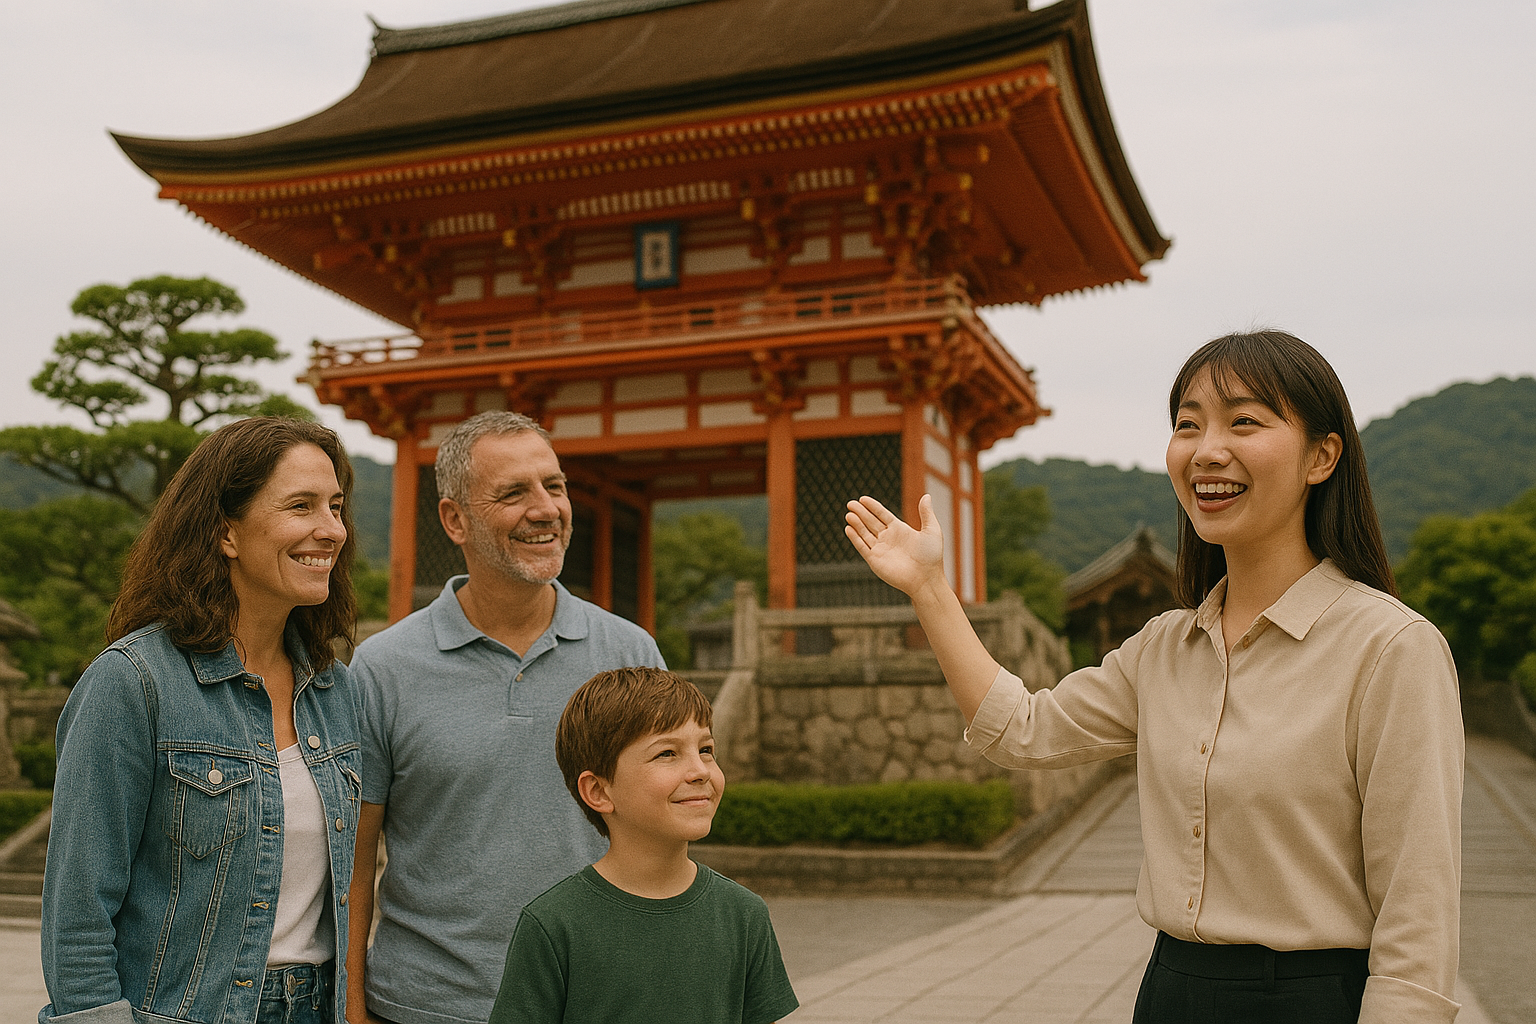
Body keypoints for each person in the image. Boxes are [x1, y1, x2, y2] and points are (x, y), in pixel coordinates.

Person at [844, 331, 1463, 1024]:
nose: (1206, 450)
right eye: (1187, 424)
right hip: (1171, 990)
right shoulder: (1166, 647)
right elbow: (1021, 731)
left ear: (1322, 455)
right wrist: (930, 588)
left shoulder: (1391, 648)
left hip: (1314, 1000)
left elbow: (1419, 913)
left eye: (1245, 421)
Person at [346, 411, 666, 1024]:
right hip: (426, 1006)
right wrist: (353, 1007)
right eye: (513, 493)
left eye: (555, 485)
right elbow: (356, 859)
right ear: (454, 519)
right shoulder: (383, 668)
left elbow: (662, 833)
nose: (546, 509)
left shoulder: (630, 654)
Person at [40, 417, 362, 1024]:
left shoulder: (334, 689)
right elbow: (76, 914)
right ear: (225, 532)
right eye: (301, 506)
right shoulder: (133, 682)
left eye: (335, 506)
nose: (330, 530)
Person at [487, 667, 798, 1024]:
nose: (700, 770)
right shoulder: (553, 925)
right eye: (667, 753)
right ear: (599, 792)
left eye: (706, 749)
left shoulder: (743, 916)